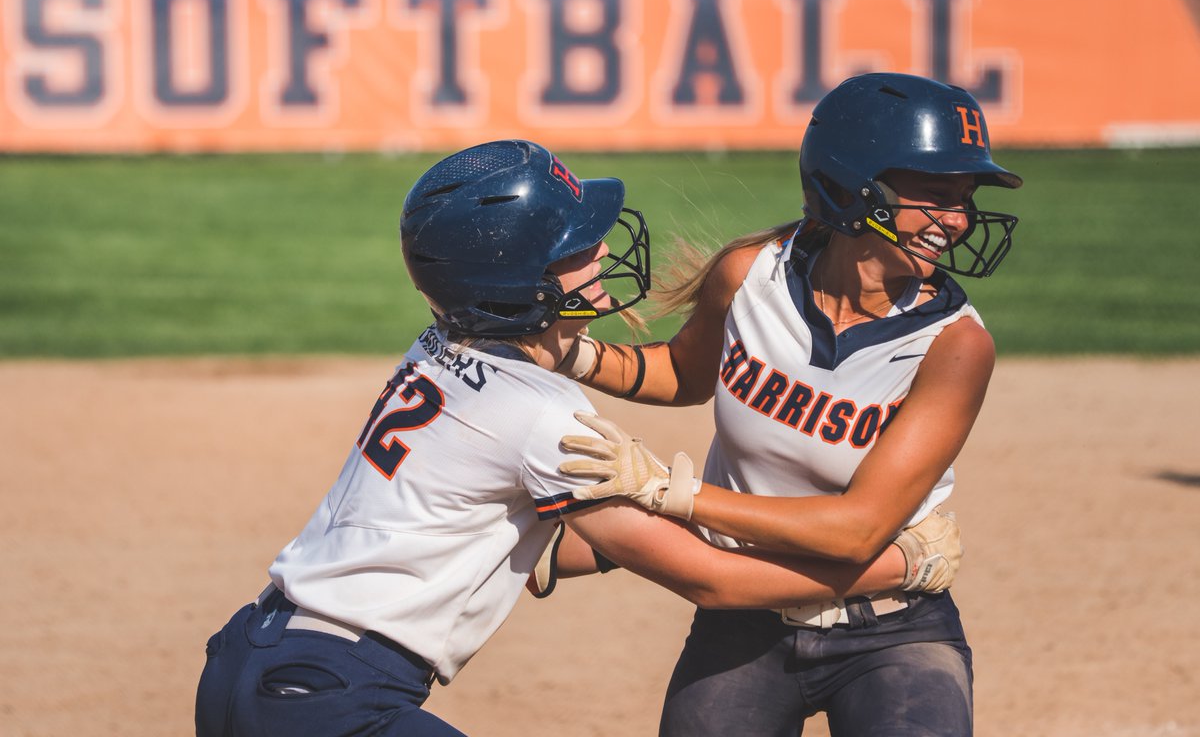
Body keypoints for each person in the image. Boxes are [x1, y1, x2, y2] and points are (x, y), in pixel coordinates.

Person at [193, 138, 960, 737]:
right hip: (330, 699)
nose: (598, 253)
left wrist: (673, 513)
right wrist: (898, 566)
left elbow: (509, 534)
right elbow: (711, 584)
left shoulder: (439, 349)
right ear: (517, 285)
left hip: (252, 659)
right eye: (572, 249)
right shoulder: (541, 416)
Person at [554, 73, 1022, 736]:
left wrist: (667, 492)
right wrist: (572, 355)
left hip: (891, 626)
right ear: (854, 186)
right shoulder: (750, 275)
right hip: (744, 615)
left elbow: (858, 529)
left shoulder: (955, 345)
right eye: (937, 196)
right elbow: (685, 373)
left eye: (964, 199)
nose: (958, 220)